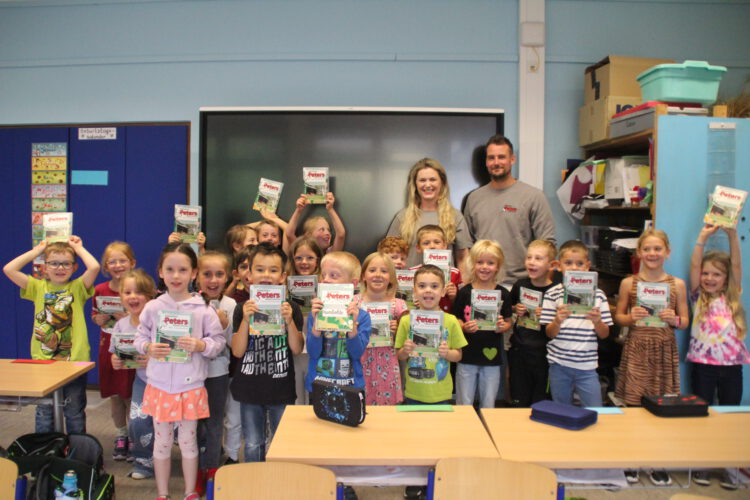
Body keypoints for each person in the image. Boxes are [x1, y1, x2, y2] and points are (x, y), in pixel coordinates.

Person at [134, 242, 225, 500]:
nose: (176, 276)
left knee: (188, 442)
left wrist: (201, 345)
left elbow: (217, 342)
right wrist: (148, 347)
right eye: (170, 269)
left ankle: (189, 492)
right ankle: (162, 493)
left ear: (193, 273)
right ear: (160, 272)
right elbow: (138, 338)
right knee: (161, 443)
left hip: (190, 388)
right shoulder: (153, 307)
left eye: (182, 270)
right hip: (160, 387)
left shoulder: (203, 309)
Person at [613, 229, 688, 486]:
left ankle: (658, 461)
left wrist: (674, 319)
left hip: (664, 350)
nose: (652, 254)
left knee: (662, 408)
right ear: (639, 253)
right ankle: (632, 461)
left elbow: (685, 320)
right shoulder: (628, 283)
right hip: (637, 348)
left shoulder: (677, 284)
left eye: (658, 249)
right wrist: (629, 317)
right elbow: (618, 317)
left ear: (667, 252)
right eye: (647, 249)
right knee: (634, 408)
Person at [3, 236, 100, 433]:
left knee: (74, 411)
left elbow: (94, 267)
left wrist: (77, 248)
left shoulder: (78, 288)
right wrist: (37, 251)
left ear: (74, 267)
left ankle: (76, 454)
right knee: (45, 411)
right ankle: (47, 452)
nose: (59, 268)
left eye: (65, 264)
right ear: (44, 267)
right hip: (43, 362)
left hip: (75, 361)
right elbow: (9, 269)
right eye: (53, 263)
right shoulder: (37, 287)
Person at [395, 264, 466, 500]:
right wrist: (405, 350)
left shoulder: (451, 321)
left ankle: (437, 479)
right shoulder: (406, 321)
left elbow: (459, 355)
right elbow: (398, 356)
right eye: (422, 286)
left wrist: (448, 354)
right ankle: (413, 481)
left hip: (441, 392)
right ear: (413, 291)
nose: (428, 291)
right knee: (414, 439)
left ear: (443, 291)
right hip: (414, 390)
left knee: (438, 439)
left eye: (434, 286)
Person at [686, 224, 747, 490]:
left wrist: (733, 235)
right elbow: (695, 266)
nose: (710, 278)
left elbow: (736, 267)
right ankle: (702, 463)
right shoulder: (698, 297)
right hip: (703, 366)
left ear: (726, 279)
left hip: (732, 366)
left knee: (731, 415)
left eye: (716, 275)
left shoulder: (732, 295)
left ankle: (732, 467)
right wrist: (702, 238)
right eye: (706, 274)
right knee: (703, 414)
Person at [230, 243, 304, 462]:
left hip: (281, 388)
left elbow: (297, 349)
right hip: (249, 389)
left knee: (282, 442)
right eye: (260, 269)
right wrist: (245, 320)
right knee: (253, 443)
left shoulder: (291, 307)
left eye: (273, 270)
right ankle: (255, 486)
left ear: (283, 276)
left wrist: (289, 321)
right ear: (249, 274)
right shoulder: (241, 308)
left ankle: (279, 485)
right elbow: (237, 351)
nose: (266, 275)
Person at [463, 135, 556, 286]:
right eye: (491, 158)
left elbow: (548, 246)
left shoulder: (533, 196)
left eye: (501, 157)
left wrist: (544, 288)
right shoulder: (474, 198)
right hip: (484, 284)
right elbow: (468, 246)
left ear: (512, 159)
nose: (496, 162)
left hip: (522, 283)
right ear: (486, 162)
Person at [539, 240, 612, 408]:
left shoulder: (598, 295)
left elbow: (605, 334)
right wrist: (557, 320)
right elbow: (549, 333)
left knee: (595, 410)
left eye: (580, 263)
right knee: (561, 409)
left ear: (588, 266)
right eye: (568, 263)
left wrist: (597, 321)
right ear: (559, 266)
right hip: (559, 365)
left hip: (587, 367)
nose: (574, 268)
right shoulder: (553, 294)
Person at [195, 251, 237, 493]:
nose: (213, 280)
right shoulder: (189, 302)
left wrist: (223, 326)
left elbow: (234, 344)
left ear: (228, 277)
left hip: (218, 373)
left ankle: (211, 468)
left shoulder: (230, 305)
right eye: (207, 274)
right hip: (192, 373)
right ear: (196, 276)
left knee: (213, 422)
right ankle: (197, 467)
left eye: (219, 274)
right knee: (193, 423)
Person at [453, 240, 512, 408]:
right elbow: (456, 318)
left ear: (498, 266)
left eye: (490, 263)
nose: (484, 267)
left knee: (489, 401)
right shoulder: (465, 292)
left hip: (492, 355)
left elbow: (508, 321)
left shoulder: (503, 293)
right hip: (467, 353)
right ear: (473, 264)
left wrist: (503, 327)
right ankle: (464, 429)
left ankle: (488, 428)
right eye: (480, 262)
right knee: (464, 400)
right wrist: (464, 327)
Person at [109, 269, 156, 480]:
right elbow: (114, 354)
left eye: (139, 292)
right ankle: (143, 462)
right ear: (121, 297)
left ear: (150, 296)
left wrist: (154, 359)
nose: (132, 297)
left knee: (174, 425)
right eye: (127, 292)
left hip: (168, 382)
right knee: (137, 422)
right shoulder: (121, 324)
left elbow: (175, 350)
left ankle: (191, 459)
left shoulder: (158, 321)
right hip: (142, 381)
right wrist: (116, 361)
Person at [92, 241, 137, 460]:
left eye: (122, 260)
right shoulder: (100, 290)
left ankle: (135, 436)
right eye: (112, 261)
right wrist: (97, 318)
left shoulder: (138, 289)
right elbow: (95, 315)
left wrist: (129, 318)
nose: (118, 265)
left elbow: (148, 318)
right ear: (105, 266)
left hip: (133, 346)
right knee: (116, 395)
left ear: (132, 263)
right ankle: (121, 434)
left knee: (132, 394)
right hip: (108, 347)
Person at [386, 157, 472, 268]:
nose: (427, 185)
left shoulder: (455, 217)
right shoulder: (402, 217)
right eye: (422, 180)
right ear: (415, 184)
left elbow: (463, 258)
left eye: (432, 179)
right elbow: (387, 256)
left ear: (442, 182)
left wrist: (464, 285)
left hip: (445, 285)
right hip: (408, 284)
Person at [305, 251, 371, 393]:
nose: (326, 280)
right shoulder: (315, 314)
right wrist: (316, 326)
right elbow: (313, 353)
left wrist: (352, 327)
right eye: (324, 275)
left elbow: (356, 354)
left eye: (333, 275)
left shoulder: (363, 317)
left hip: (350, 386)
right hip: (319, 384)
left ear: (352, 283)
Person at [508, 239, 559, 407]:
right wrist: (517, 309)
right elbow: (510, 308)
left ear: (551, 265)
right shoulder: (520, 285)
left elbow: (563, 320)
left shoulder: (557, 291)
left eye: (538, 258)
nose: (532, 262)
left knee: (540, 399)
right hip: (519, 350)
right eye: (529, 257)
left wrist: (550, 314)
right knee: (518, 397)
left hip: (544, 354)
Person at [356, 252, 406, 405]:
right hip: (360, 363)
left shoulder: (398, 305)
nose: (378, 275)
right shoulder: (354, 303)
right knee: (360, 404)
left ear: (391, 277)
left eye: (384, 271)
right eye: (372, 270)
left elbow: (406, 340)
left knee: (388, 408)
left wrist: (397, 330)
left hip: (388, 365)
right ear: (363, 275)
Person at [287, 236, 323, 405]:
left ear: (318, 260)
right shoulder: (285, 287)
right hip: (294, 352)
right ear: (293, 260)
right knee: (297, 398)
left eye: (310, 257)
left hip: (316, 351)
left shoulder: (325, 287)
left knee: (315, 397)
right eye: (299, 258)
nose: (304, 262)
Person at [408, 225, 462, 314]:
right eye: (426, 243)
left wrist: (454, 297)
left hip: (446, 319)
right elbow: (406, 303)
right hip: (420, 319)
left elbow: (460, 305)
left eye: (437, 242)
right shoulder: (412, 272)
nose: (432, 246)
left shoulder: (454, 273)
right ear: (418, 248)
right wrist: (412, 302)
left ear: (445, 246)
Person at [223, 224, 257, 302]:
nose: (257, 243)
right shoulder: (228, 267)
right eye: (252, 240)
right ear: (237, 246)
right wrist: (235, 281)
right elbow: (224, 301)